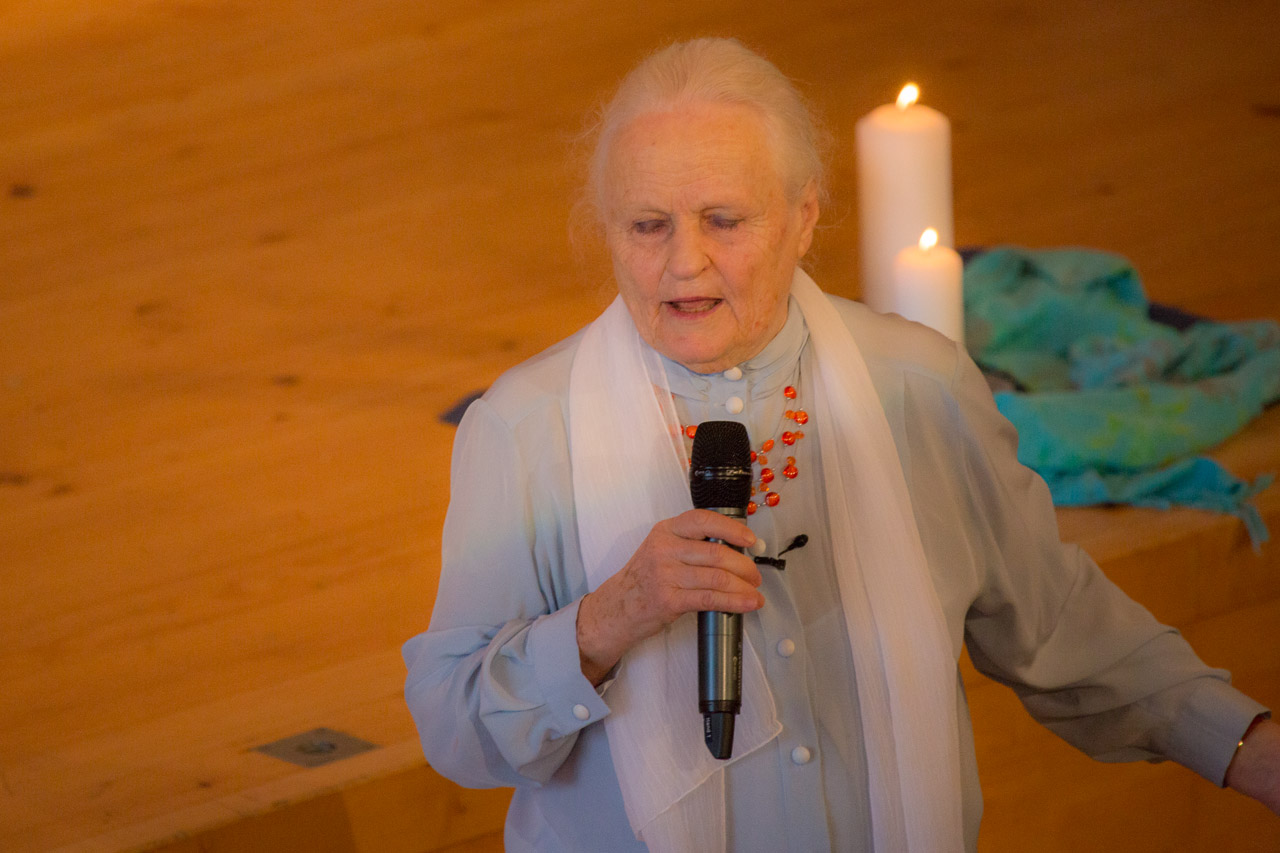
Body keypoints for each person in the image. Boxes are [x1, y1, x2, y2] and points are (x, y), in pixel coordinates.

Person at [403, 37, 1279, 851]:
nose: (684, 262)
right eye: (647, 225)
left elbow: (1059, 629)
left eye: (723, 219)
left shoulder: (917, 389)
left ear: (803, 217)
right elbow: (453, 728)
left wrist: (1253, 749)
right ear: (608, 231)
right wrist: (610, 617)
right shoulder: (524, 429)